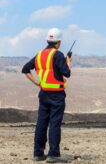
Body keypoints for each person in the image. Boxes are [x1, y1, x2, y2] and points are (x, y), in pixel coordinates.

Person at [22, 28, 72, 162]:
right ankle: (53, 154)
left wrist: (37, 83)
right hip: (57, 95)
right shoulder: (58, 55)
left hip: (43, 93)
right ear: (59, 42)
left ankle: (38, 153)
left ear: (47, 40)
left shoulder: (39, 55)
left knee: (41, 123)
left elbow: (25, 69)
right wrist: (68, 63)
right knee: (54, 123)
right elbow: (66, 73)